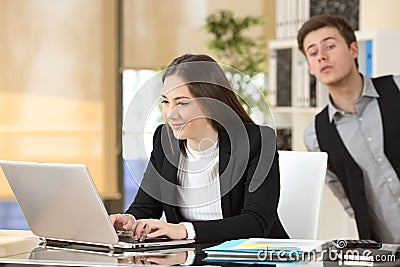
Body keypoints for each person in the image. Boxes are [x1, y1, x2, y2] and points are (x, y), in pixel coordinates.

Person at [110, 54, 288, 244]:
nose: (170, 114)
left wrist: (184, 230)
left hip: (252, 259)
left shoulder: (257, 141)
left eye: (182, 102)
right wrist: (131, 221)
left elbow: (256, 222)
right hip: (190, 259)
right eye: (165, 102)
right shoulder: (165, 140)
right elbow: (145, 207)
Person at [297, 14, 400, 243]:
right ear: (311, 68)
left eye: (330, 46)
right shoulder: (315, 135)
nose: (322, 56)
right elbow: (349, 200)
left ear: (354, 50)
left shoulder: (398, 88)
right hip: (388, 254)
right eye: (313, 53)